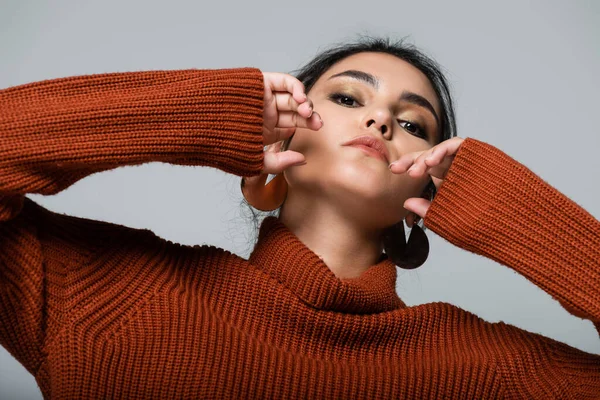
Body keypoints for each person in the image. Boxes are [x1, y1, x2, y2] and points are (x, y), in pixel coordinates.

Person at [0, 37, 598, 399]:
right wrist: (198, 112)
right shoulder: (112, 296)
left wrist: (523, 217)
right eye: (346, 98)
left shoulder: (482, 370)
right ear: (280, 132)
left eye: (414, 124)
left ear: (431, 186)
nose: (381, 123)